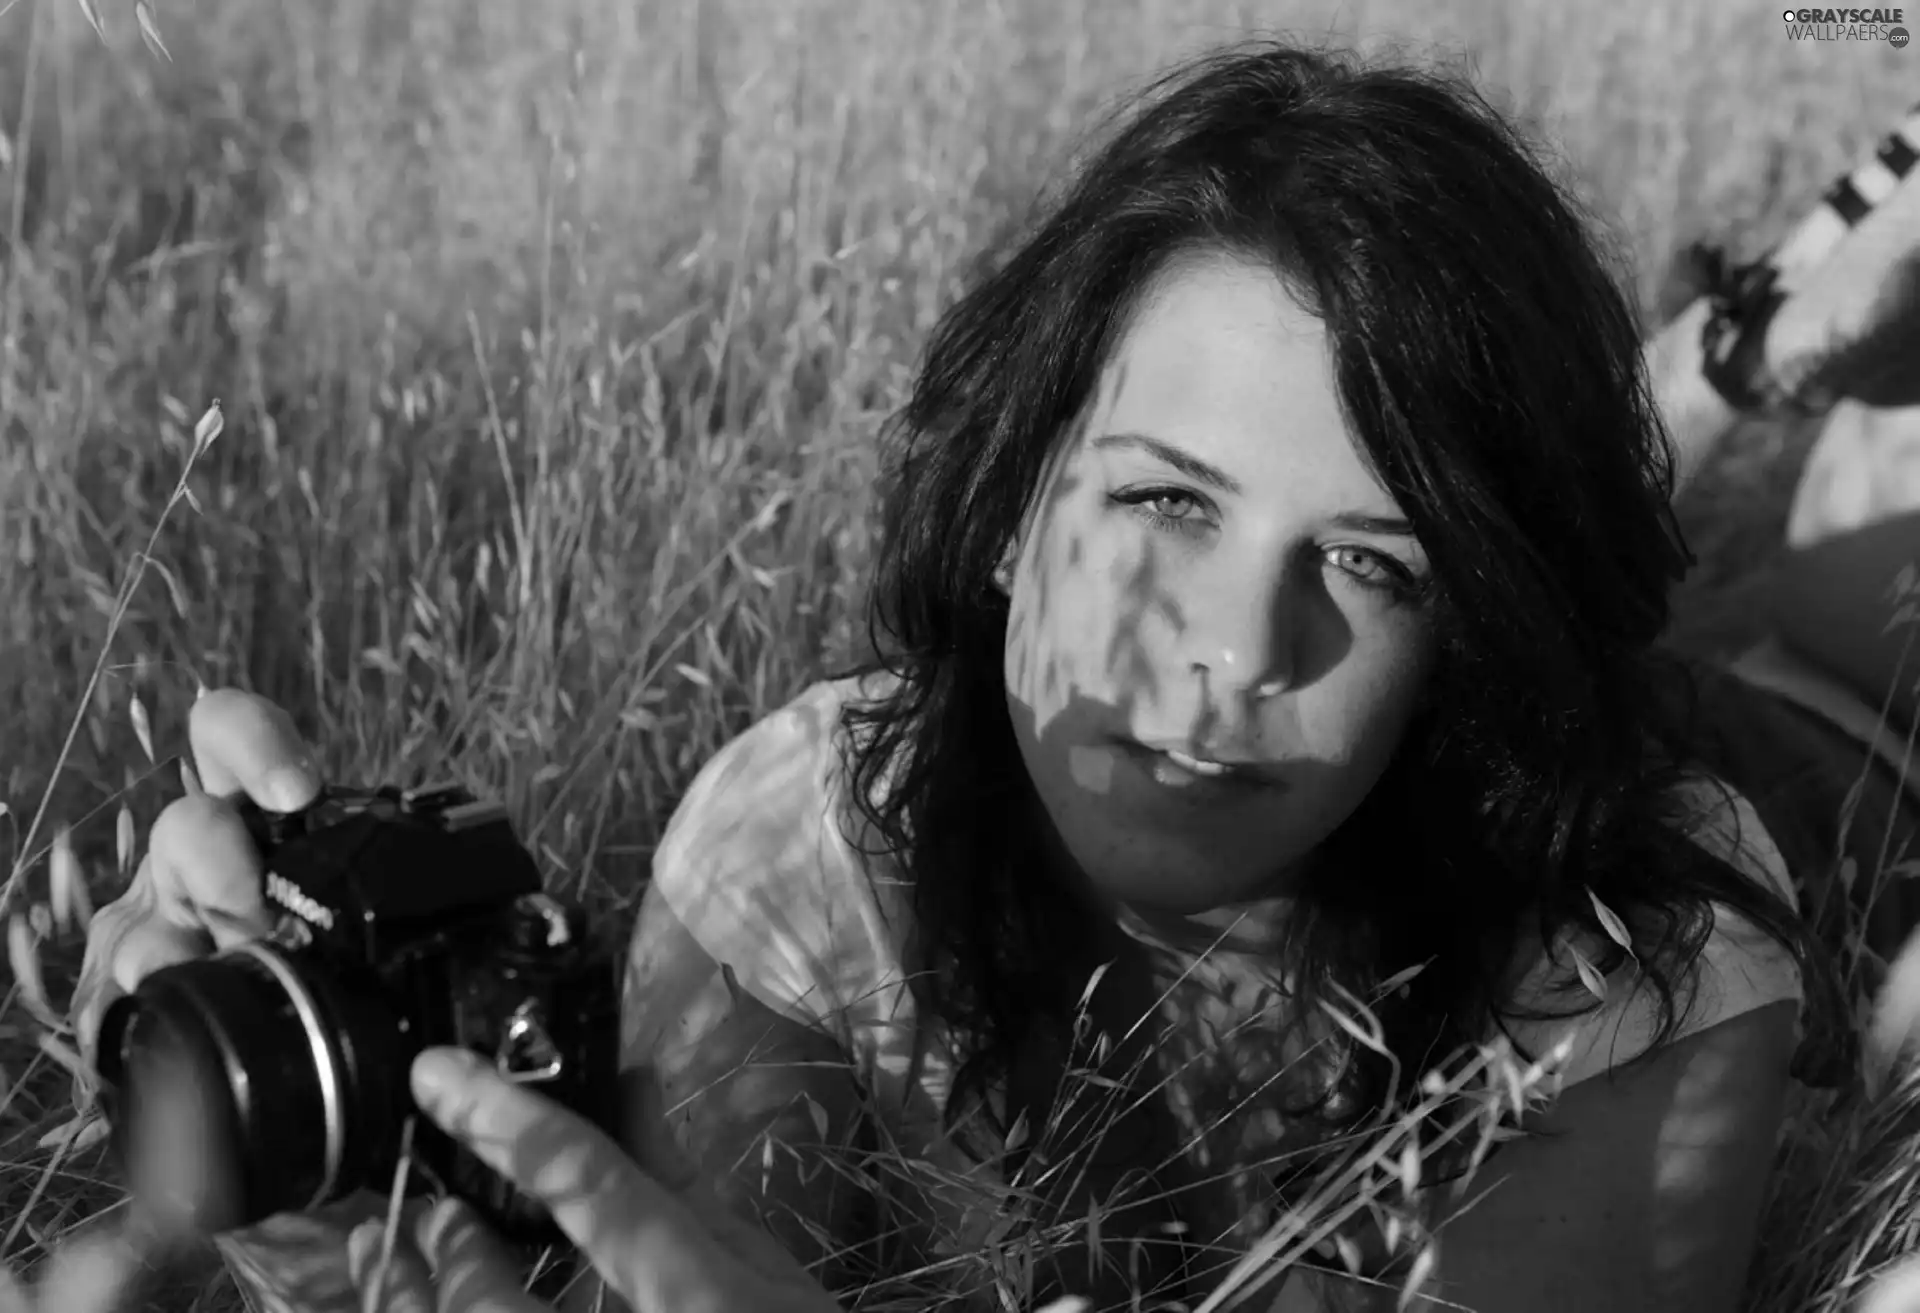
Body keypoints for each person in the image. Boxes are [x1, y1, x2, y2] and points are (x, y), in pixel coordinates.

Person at [65, 40, 1920, 1313]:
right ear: (1015, 499)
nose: (1226, 651)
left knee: (1779, 584)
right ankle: (1768, 338)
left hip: (1843, 757)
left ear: (1460, 633)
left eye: (1371, 564)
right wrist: (334, 1183)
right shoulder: (815, 849)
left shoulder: (1644, 958)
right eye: (1163, 500)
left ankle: (1778, 342)